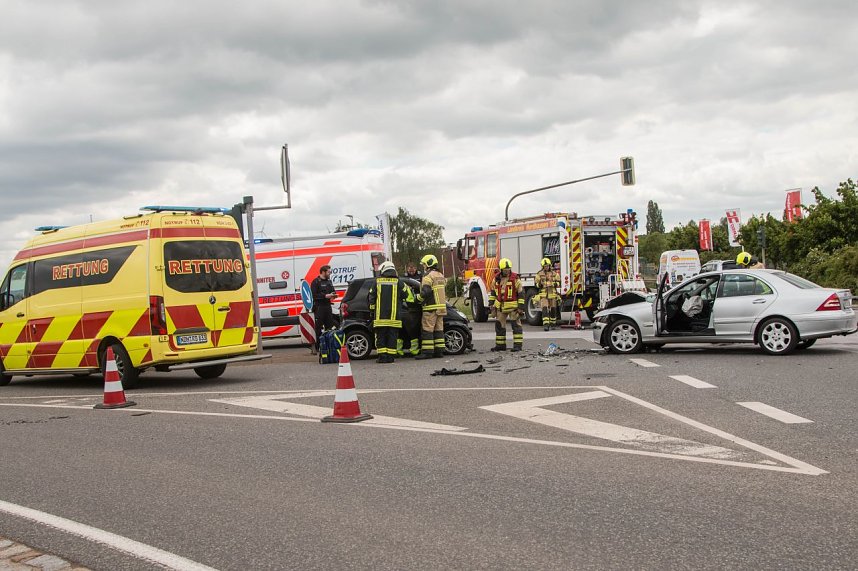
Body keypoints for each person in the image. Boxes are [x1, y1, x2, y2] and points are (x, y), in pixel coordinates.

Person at [368, 261, 414, 363]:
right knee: (392, 337)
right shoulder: (399, 282)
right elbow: (408, 296)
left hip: (380, 317)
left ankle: (382, 357)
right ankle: (390, 357)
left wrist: (372, 309)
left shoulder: (377, 281)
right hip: (394, 317)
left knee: (381, 337)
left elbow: (371, 297)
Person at [415, 254, 447, 359]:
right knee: (439, 329)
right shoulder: (440, 275)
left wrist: (418, 299)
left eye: (424, 264)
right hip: (441, 307)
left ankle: (427, 352)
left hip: (430, 307)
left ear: (428, 264)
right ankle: (439, 351)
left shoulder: (428, 276)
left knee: (427, 329)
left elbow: (426, 291)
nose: (423, 266)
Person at [488, 258, 524, 352]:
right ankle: (500, 345)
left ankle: (517, 346)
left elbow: (521, 294)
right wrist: (491, 304)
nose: (507, 271)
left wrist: (520, 308)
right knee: (499, 326)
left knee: (516, 326)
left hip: (513, 308)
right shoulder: (496, 280)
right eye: (505, 269)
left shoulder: (515, 279)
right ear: (501, 269)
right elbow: (493, 293)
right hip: (500, 307)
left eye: (508, 269)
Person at [311, 265, 337, 351]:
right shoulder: (316, 282)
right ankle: (319, 347)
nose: (330, 274)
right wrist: (325, 296)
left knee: (330, 327)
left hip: (328, 306)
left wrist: (333, 295)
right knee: (318, 328)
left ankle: (329, 346)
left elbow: (333, 291)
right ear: (323, 272)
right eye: (328, 272)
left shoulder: (329, 281)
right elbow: (314, 295)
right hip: (319, 307)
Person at [535, 257, 560, 331]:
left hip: (552, 294)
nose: (546, 267)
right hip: (544, 295)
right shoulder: (539, 274)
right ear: (543, 267)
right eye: (545, 266)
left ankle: (553, 324)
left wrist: (554, 284)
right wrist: (540, 285)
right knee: (545, 308)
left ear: (549, 266)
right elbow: (536, 283)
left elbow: (558, 282)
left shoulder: (554, 274)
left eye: (547, 266)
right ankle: (546, 325)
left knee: (553, 309)